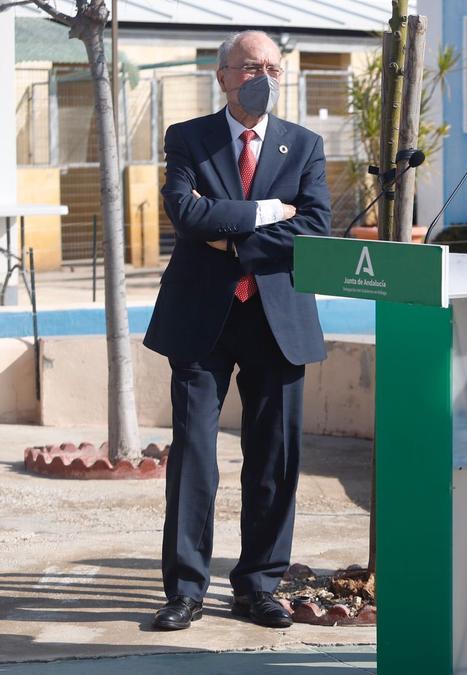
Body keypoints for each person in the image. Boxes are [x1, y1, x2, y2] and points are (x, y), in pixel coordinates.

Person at [144, 30, 331, 631]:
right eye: (252, 67)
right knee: (195, 454)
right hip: (202, 319)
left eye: (274, 68)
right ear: (223, 76)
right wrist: (266, 215)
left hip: (278, 319)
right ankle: (186, 589)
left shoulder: (303, 145)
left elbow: (316, 228)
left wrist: (231, 234)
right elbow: (185, 213)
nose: (265, 78)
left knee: (274, 457)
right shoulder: (188, 138)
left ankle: (259, 585)